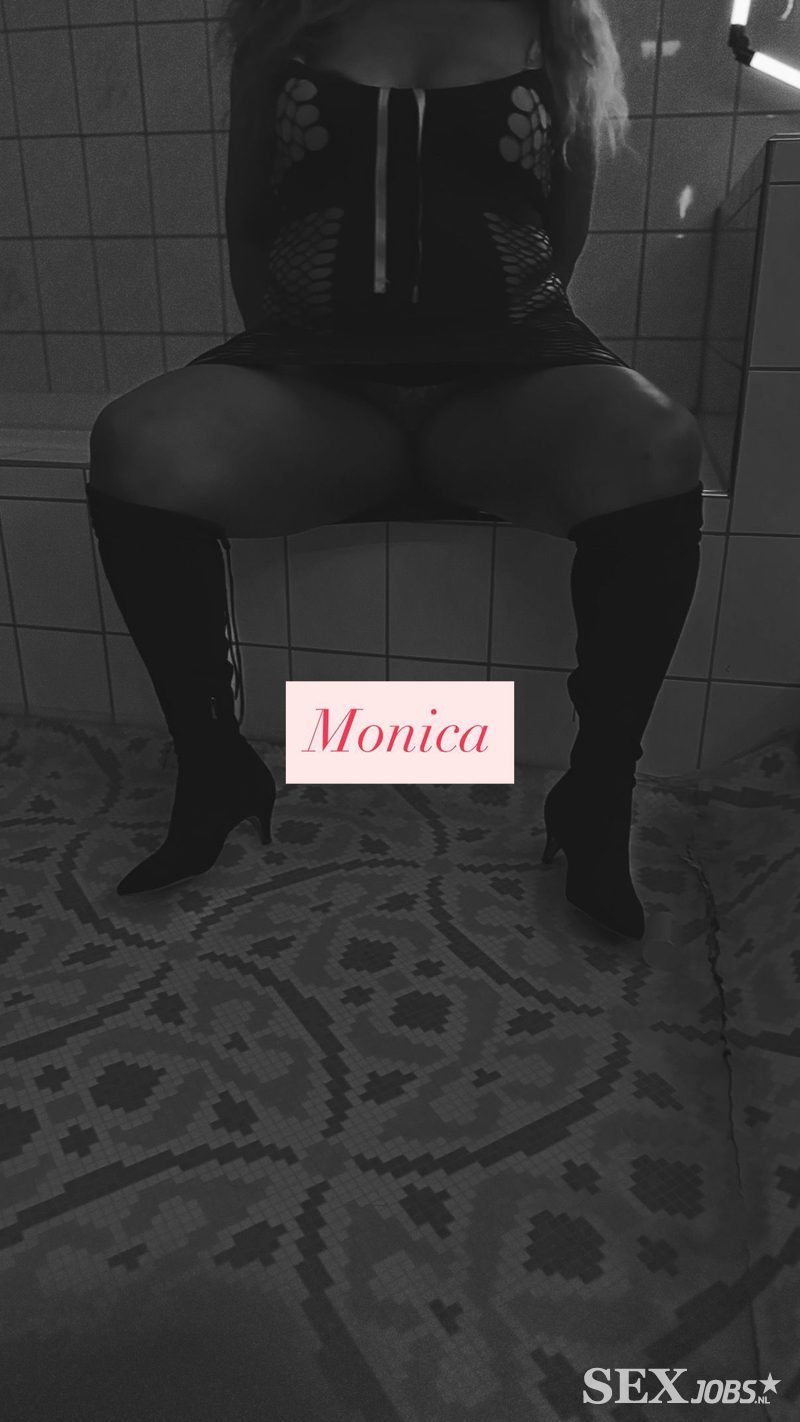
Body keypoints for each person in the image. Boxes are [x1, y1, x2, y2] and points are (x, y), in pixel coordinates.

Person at [85, 0, 704, 942]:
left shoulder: (556, 29)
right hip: (318, 381)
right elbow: (249, 228)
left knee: (660, 441)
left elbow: (560, 235)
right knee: (135, 442)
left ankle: (597, 793)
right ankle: (213, 765)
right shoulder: (284, 27)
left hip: (505, 378)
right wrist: (291, 360)